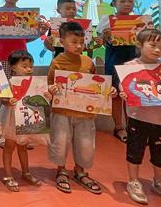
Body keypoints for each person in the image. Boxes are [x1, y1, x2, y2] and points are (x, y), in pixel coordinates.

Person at [48, 21, 115, 195]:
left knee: (85, 143)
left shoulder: (88, 62)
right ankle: (61, 170)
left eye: (81, 42)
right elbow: (49, 84)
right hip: (62, 111)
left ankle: (80, 171)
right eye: (74, 42)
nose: (78, 46)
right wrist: (51, 89)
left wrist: (108, 91)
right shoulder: (57, 62)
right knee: (60, 141)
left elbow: (96, 85)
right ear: (62, 41)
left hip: (85, 112)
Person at [118, 29, 161, 205]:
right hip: (138, 117)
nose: (157, 50)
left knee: (160, 153)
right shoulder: (131, 66)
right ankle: (133, 181)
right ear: (139, 45)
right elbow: (124, 86)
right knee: (135, 151)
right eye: (153, 45)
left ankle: (159, 181)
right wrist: (123, 92)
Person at [1, 50, 45, 190]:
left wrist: (47, 96)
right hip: (11, 119)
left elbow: (40, 99)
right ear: (13, 67)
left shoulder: (35, 83)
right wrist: (8, 101)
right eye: (24, 66)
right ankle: (8, 175)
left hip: (25, 119)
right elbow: (2, 100)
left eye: (31, 66)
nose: (28, 69)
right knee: (9, 147)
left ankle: (26, 172)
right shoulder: (9, 82)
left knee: (23, 146)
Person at [97, 0, 137, 143]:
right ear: (114, 3)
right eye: (122, 1)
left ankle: (132, 127)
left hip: (133, 60)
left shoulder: (138, 20)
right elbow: (100, 41)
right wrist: (105, 36)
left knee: (132, 94)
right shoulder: (107, 20)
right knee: (117, 96)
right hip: (114, 60)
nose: (127, 4)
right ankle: (119, 127)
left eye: (130, 1)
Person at [0, 0, 44, 76]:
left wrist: (39, 33)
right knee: (3, 82)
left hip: (21, 56)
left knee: (20, 82)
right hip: (3, 55)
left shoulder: (25, 14)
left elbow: (26, 38)